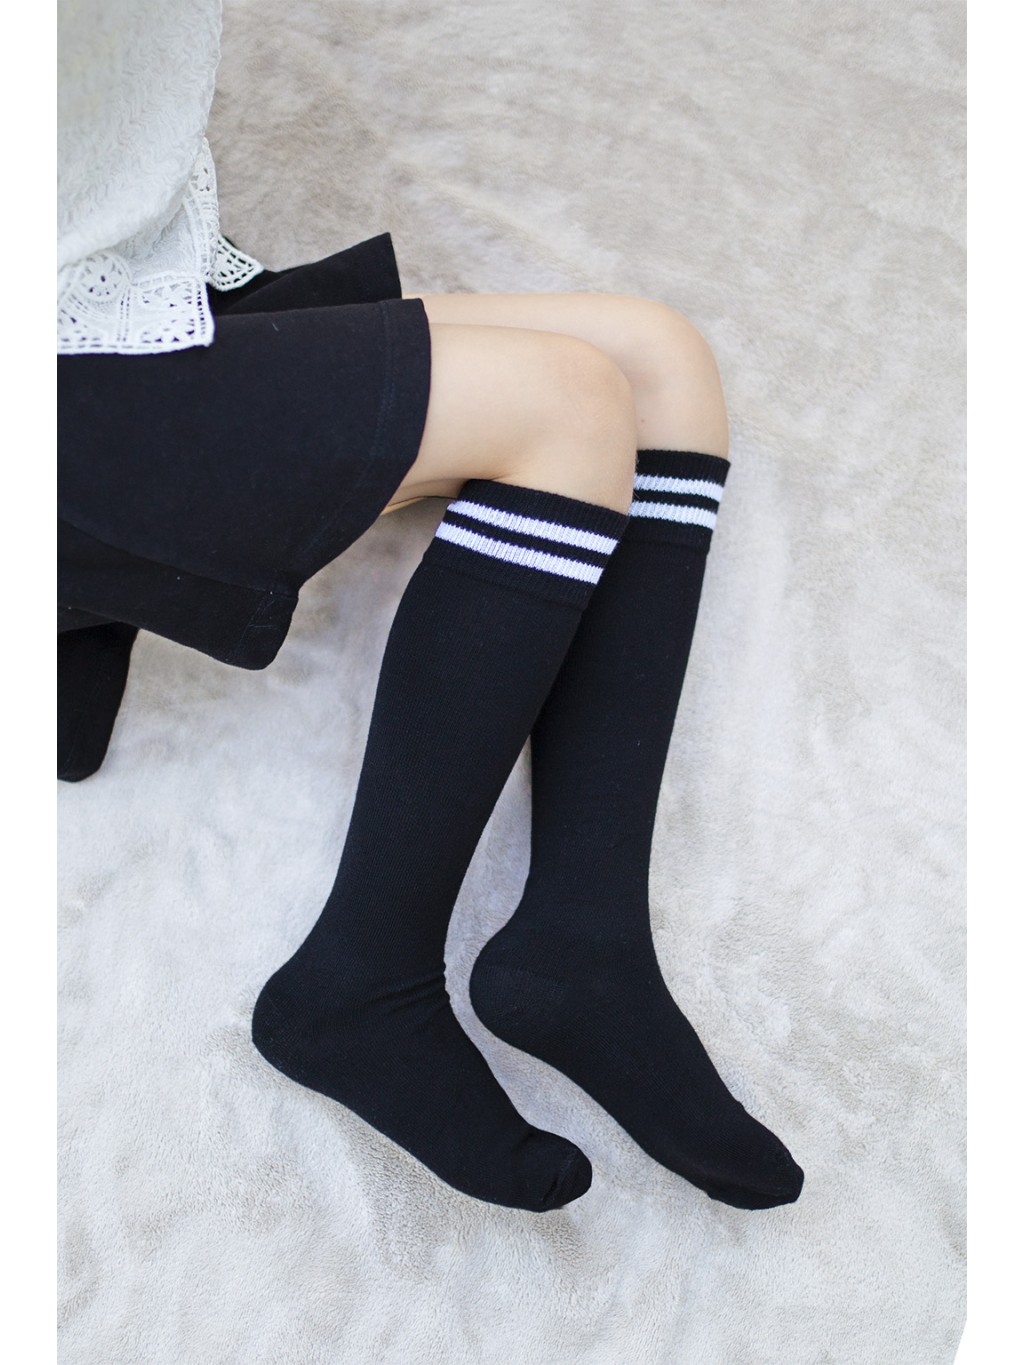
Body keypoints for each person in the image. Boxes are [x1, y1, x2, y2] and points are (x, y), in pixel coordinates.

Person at [58, 0, 804, 1213]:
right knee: (562, 403)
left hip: (118, 292)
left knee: (660, 361)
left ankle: (585, 937)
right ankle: (362, 975)